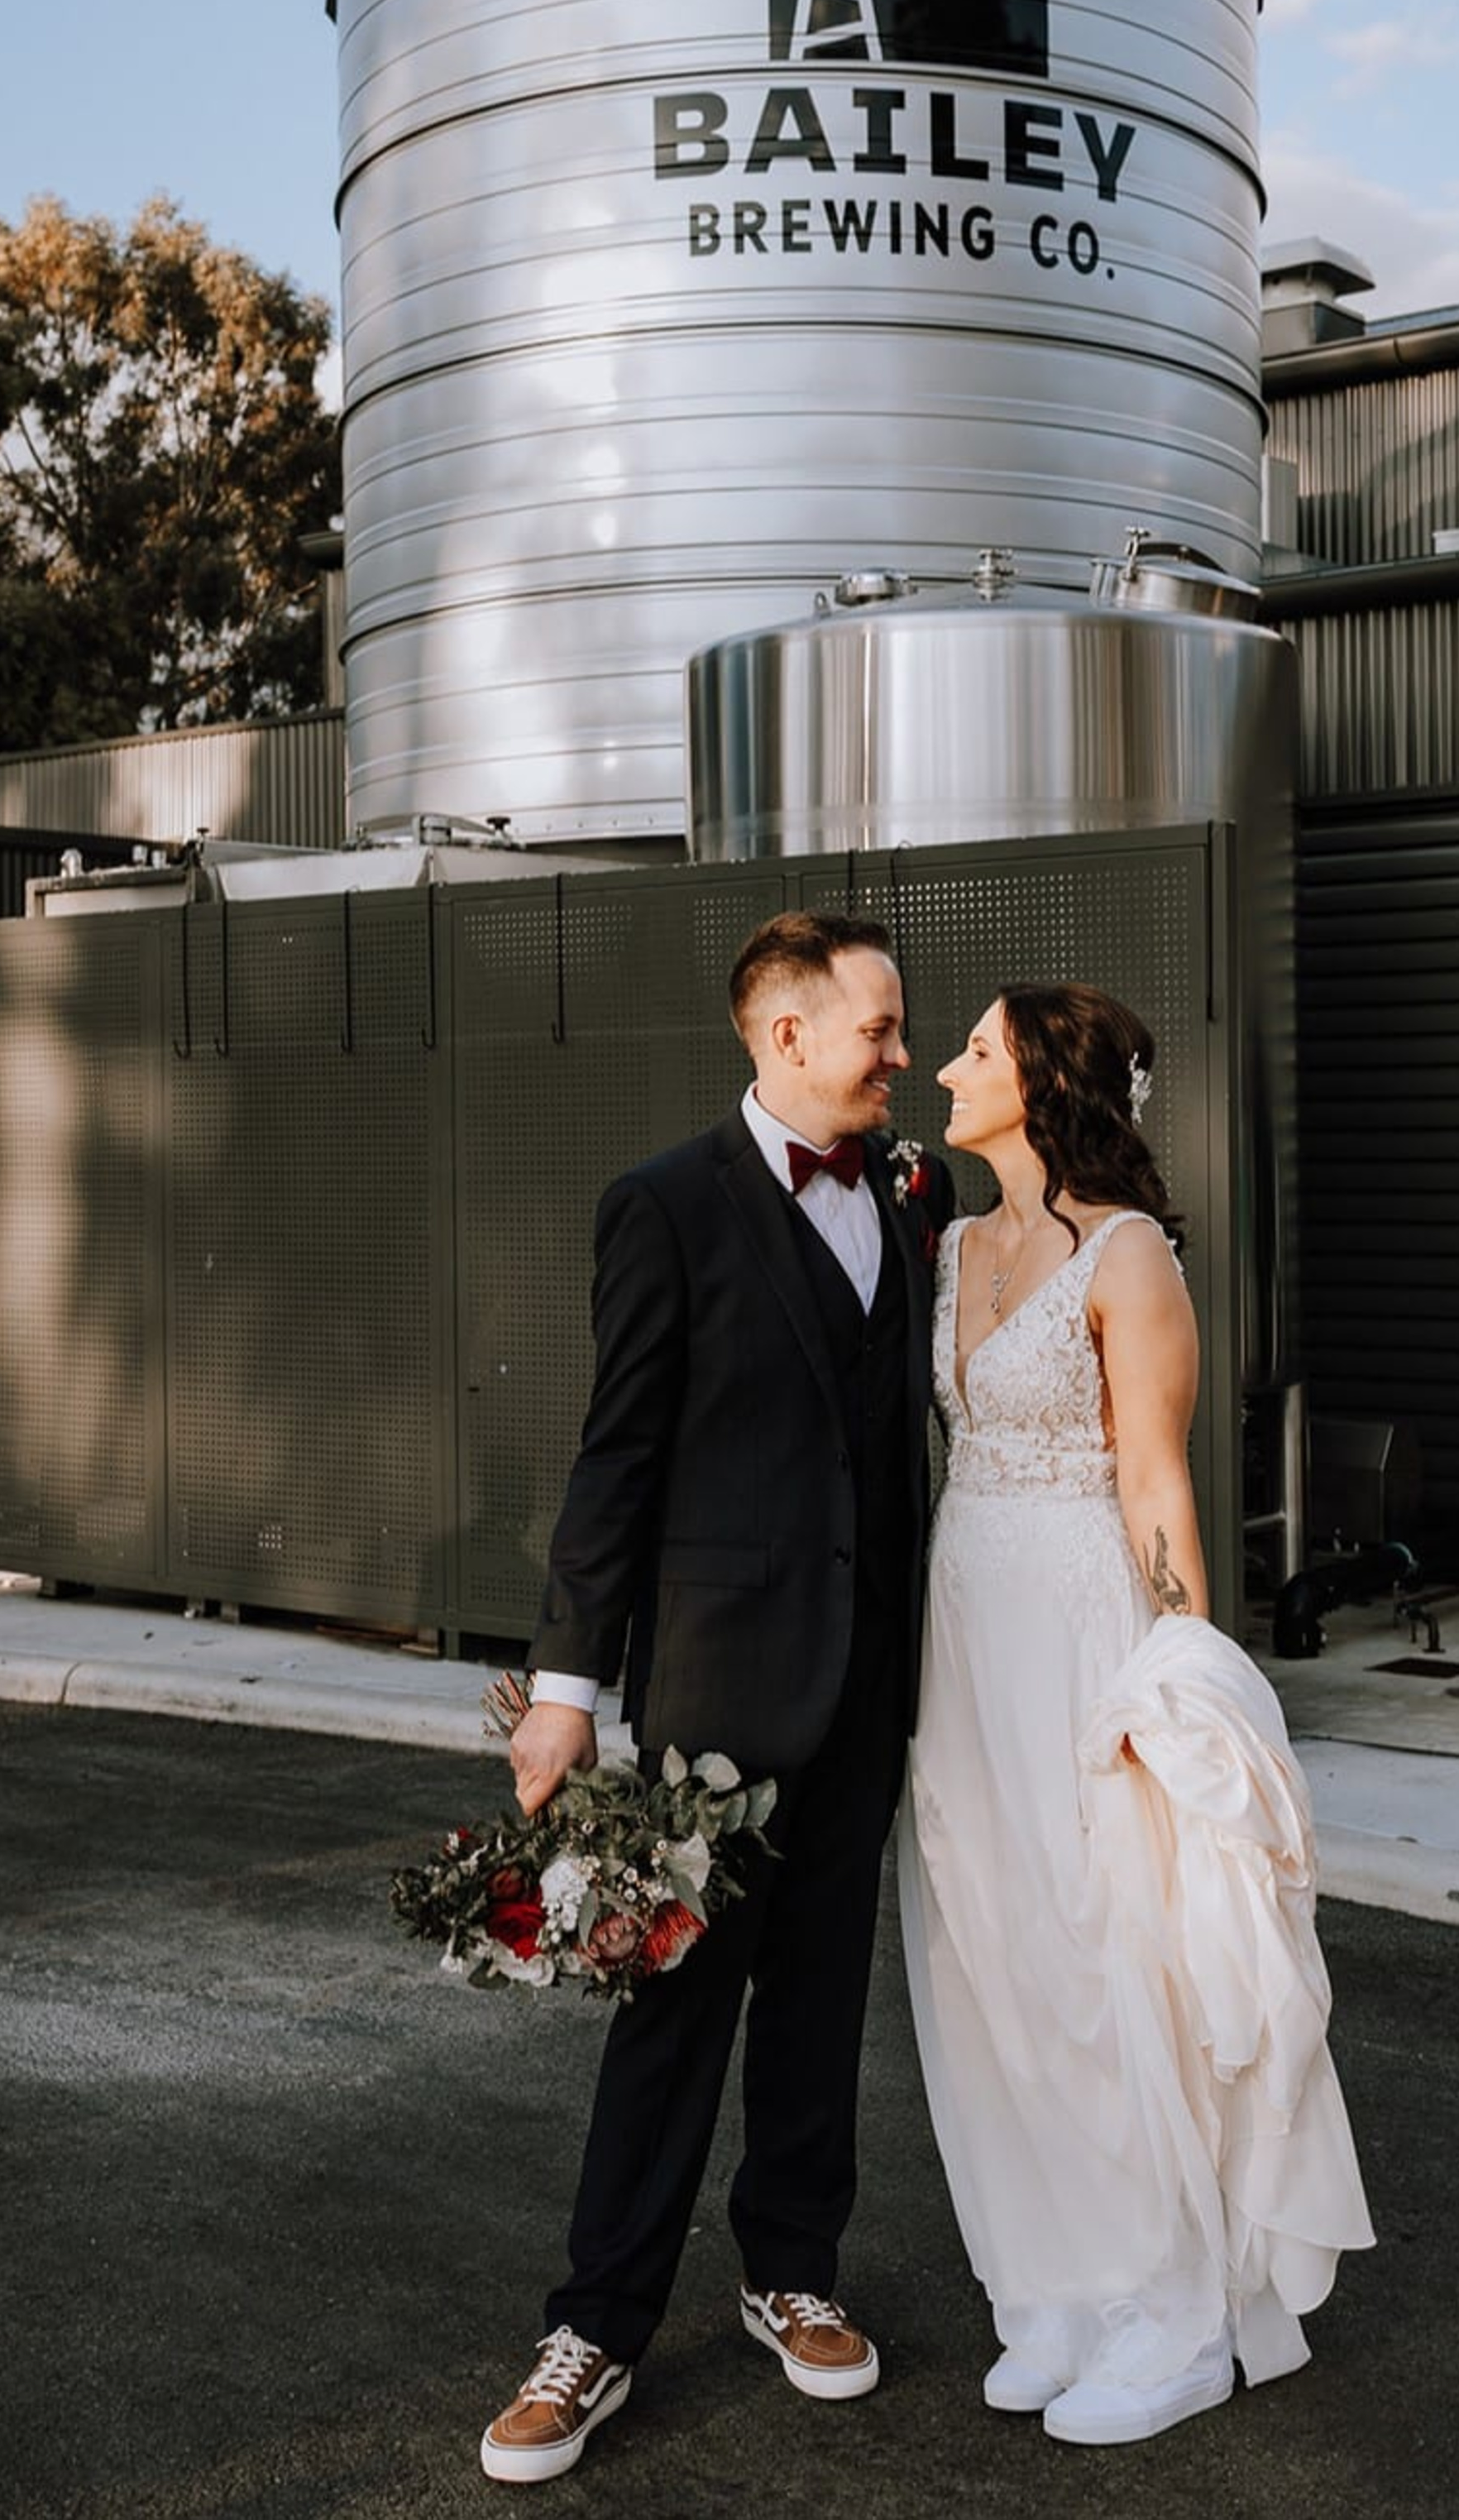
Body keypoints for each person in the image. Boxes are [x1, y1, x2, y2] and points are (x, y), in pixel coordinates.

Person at [482, 910, 954, 2486]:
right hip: (717, 1689)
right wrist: (566, 1689)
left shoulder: (916, 1190)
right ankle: (597, 2329)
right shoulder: (666, 1208)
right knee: (676, 2012)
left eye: (903, 1029)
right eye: (881, 1030)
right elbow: (617, 1454)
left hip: (872, 1683)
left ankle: (789, 2271)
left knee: (824, 1994)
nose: (903, 1055)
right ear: (786, 1037)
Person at [897, 982, 1373, 2449]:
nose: (943, 1065)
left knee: (1111, 1957)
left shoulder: (1131, 1255)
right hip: (966, 1634)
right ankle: (1060, 2292)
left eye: (976, 1050)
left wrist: (1184, 1687)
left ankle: (1170, 2312)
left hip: (1085, 1636)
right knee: (997, 1956)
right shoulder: (957, 1239)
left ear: (1043, 1085)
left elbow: (1159, 1489)